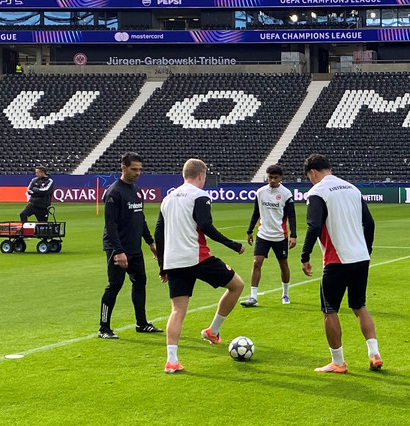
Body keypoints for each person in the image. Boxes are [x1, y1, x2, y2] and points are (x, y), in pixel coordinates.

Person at [154, 158, 245, 374]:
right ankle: (213, 330)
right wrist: (232, 244)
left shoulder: (168, 198)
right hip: (197, 257)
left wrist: (162, 266)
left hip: (174, 261)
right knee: (237, 285)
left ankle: (172, 361)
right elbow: (205, 226)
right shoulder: (200, 195)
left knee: (177, 310)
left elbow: (159, 232)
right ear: (201, 176)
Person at [300, 154, 382, 373]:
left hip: (337, 260)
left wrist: (305, 256)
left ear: (312, 173)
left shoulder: (317, 192)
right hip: (361, 257)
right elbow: (370, 223)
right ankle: (374, 354)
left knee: (329, 310)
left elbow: (314, 226)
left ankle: (338, 362)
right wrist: (368, 249)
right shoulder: (352, 189)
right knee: (359, 305)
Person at [99, 152, 162, 339]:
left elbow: (140, 218)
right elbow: (110, 225)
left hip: (134, 249)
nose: (137, 173)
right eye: (134, 169)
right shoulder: (114, 192)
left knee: (140, 282)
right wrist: (118, 251)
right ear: (123, 168)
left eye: (140, 169)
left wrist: (150, 242)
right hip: (117, 249)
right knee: (115, 285)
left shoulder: (136, 191)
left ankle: (141, 323)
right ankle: (104, 328)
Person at [241, 164, 297, 307]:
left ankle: (285, 293)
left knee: (283, 264)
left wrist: (293, 235)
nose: (272, 180)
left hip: (280, 235)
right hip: (263, 234)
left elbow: (292, 216)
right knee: (256, 263)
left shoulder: (286, 194)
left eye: (275, 178)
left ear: (280, 178)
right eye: (270, 177)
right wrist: (249, 230)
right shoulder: (260, 192)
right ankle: (253, 297)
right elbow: (256, 212)